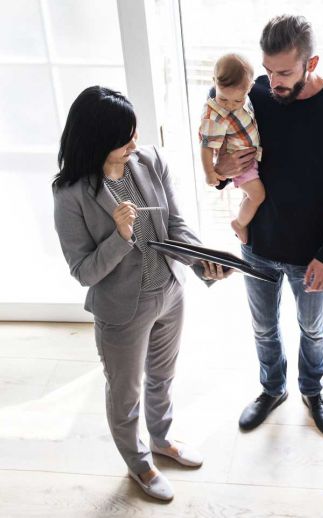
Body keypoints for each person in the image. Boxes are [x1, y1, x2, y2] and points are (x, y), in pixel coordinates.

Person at [52, 86, 228, 501]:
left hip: (169, 290)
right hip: (121, 310)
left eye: (135, 132)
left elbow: (176, 226)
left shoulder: (149, 160)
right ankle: (138, 462)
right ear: (96, 139)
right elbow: (83, 271)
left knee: (163, 377)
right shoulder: (70, 194)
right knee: (125, 390)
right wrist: (120, 234)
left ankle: (163, 439)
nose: (135, 142)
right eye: (125, 137)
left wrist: (203, 262)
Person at [213, 15, 323, 436]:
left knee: (313, 329)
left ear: (311, 62)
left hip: (312, 251)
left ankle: (313, 391)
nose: (272, 81)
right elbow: (224, 152)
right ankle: (272, 388)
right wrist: (222, 170)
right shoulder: (255, 94)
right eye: (267, 70)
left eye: (284, 72)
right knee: (263, 326)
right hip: (258, 244)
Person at [199, 53, 264, 244]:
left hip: (250, 158)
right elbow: (206, 147)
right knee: (257, 195)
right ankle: (239, 224)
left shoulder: (247, 96)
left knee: (249, 195)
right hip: (239, 162)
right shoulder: (215, 114)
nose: (229, 106)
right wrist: (210, 172)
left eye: (237, 101)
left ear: (249, 88)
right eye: (223, 98)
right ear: (214, 83)